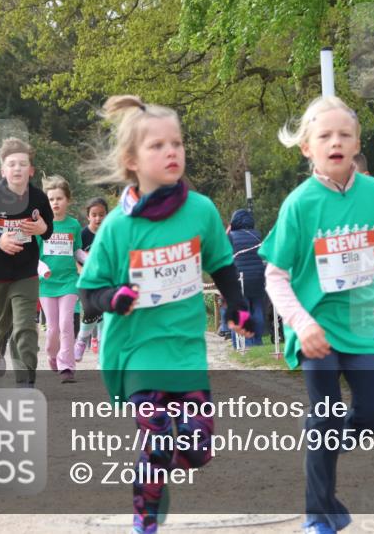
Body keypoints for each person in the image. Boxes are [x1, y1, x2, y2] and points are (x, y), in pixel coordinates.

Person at [77, 95, 253, 534]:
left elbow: (223, 265)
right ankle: (145, 521)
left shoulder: (202, 210)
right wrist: (114, 298)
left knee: (197, 450)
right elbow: (88, 293)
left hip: (186, 351)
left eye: (177, 143)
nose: (171, 151)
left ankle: (155, 471)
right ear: (132, 161)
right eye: (157, 146)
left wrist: (239, 307)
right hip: (138, 352)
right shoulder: (118, 225)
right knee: (157, 442)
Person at [260, 95, 374, 534]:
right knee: (325, 415)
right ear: (307, 148)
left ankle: (323, 442)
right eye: (324, 136)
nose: (335, 142)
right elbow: (275, 277)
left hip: (360, 328)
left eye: (345, 134)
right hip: (316, 331)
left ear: (357, 143)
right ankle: (319, 514)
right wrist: (302, 323)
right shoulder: (298, 205)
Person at [0, 137, 54, 384]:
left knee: (25, 326)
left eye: (22, 164)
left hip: (26, 272)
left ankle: (26, 381)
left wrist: (42, 229)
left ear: (31, 170)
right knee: (1, 321)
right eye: (12, 164)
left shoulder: (39, 198)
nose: (17, 168)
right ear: (3, 170)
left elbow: (47, 229)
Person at [37, 175, 87, 383]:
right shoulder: (40, 225)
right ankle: (52, 355)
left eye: (59, 198)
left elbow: (77, 251)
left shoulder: (73, 225)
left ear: (68, 200)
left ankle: (67, 366)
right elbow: (33, 255)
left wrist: (88, 260)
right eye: (51, 199)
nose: (55, 203)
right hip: (47, 284)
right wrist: (42, 268)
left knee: (67, 323)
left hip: (68, 281)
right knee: (53, 331)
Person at [226, 208, 267, 346]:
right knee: (257, 307)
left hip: (239, 278)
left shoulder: (231, 236)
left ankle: (245, 343)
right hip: (258, 277)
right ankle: (257, 340)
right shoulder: (257, 234)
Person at [74, 196, 108, 360]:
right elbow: (73, 257)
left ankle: (102, 347)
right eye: (94, 215)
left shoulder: (109, 233)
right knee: (90, 311)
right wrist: (81, 270)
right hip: (86, 280)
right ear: (88, 216)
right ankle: (81, 340)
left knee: (104, 313)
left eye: (101, 215)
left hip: (105, 280)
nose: (98, 218)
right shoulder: (82, 234)